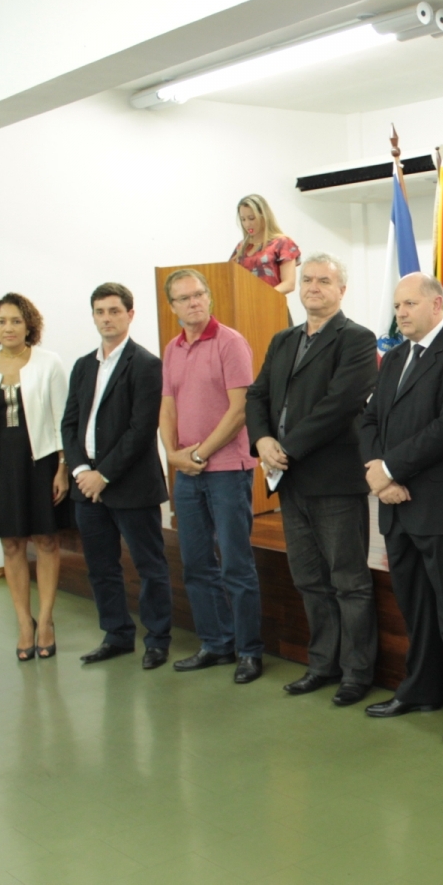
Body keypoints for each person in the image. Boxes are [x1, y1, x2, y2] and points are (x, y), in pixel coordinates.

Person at [359, 273, 443, 742]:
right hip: (396, 505)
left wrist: (389, 469)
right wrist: (377, 474)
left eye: (410, 304)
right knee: (415, 609)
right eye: (397, 305)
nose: (400, 312)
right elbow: (369, 419)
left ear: (437, 306)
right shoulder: (395, 357)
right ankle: (421, 689)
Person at [245, 254, 378, 705]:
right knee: (308, 579)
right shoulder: (283, 339)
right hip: (290, 480)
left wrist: (286, 448)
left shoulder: (357, 339)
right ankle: (322, 664)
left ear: (342, 290)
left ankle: (357, 673)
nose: (314, 287)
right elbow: (257, 395)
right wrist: (262, 440)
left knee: (349, 581)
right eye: (307, 280)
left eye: (324, 280)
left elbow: (340, 404)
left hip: (333, 479)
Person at [160, 268, 264, 684]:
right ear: (172, 306)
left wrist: (199, 453)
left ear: (209, 298)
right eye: (184, 298)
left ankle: (249, 651)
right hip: (187, 473)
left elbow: (240, 410)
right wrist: (173, 455)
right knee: (196, 563)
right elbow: (168, 406)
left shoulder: (230, 342)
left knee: (235, 564)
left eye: (199, 294)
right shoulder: (172, 349)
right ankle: (216, 644)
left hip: (226, 471)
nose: (194, 303)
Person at [62, 283, 174, 671]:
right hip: (87, 486)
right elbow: (69, 424)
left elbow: (141, 429)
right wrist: (81, 471)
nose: (106, 318)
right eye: (100, 311)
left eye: (114, 311)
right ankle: (116, 635)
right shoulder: (83, 366)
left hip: (131, 485)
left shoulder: (146, 364)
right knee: (101, 567)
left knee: (149, 566)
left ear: (130, 314)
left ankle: (157, 639)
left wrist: (103, 475)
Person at [0, 293, 70, 661]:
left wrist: (62, 469)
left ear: (29, 325)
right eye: (1, 321)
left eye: (15, 320)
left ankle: (45, 621)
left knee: (45, 540)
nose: (8, 327)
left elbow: (62, 419)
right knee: (11, 544)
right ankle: (24, 624)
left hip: (41, 462)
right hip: (0, 465)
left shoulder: (49, 362)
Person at [231, 194, 299, 295]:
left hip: (271, 303)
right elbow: (229, 277)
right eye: (243, 219)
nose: (247, 224)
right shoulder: (241, 247)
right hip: (245, 304)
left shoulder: (282, 243)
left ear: (264, 216)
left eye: (251, 218)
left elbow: (289, 284)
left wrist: (262, 297)